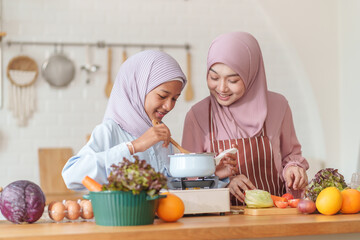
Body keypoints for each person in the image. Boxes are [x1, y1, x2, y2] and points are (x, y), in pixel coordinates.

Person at [181, 32, 309, 205]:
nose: (221, 88)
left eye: (232, 80)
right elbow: (187, 178)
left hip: (273, 215)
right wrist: (223, 182)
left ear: (252, 75)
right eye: (214, 77)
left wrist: (294, 168)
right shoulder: (198, 115)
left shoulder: (278, 106)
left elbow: (290, 155)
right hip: (220, 219)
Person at [62, 50, 187, 191]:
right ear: (138, 88)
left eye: (175, 98)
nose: (169, 106)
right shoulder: (110, 131)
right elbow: (71, 175)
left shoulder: (161, 136)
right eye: (162, 96)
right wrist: (134, 146)